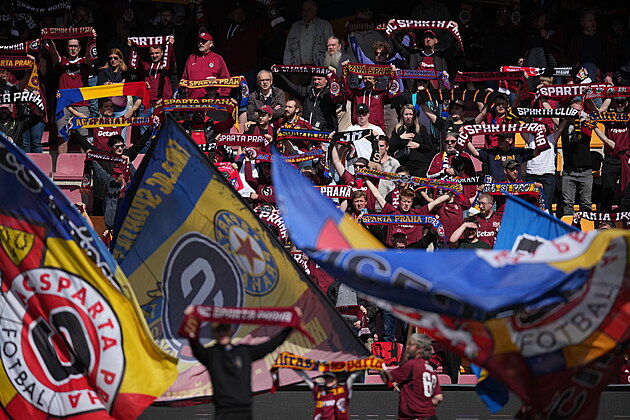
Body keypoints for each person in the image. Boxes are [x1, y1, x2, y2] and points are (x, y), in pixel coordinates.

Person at [184, 305, 301, 420]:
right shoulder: (211, 354)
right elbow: (194, 345)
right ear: (213, 333)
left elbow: (270, 345)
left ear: (231, 330)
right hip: (224, 412)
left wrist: (290, 326)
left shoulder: (243, 351)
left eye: (225, 329)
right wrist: (191, 319)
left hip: (245, 411)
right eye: (218, 330)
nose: (222, 333)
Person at [48, 33, 97, 153]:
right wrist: (49, 38)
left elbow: (89, 55)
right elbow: (54, 53)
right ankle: (61, 165)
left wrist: (91, 39)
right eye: (71, 46)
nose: (73, 49)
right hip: (63, 105)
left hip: (82, 104)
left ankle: (85, 164)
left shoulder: (84, 62)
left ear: (79, 48)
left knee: (83, 139)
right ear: (67, 48)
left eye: (75, 46)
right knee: (62, 138)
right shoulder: (62, 61)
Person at [383, 333, 443, 420]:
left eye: (411, 344)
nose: (407, 347)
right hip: (430, 416)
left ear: (420, 349)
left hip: (412, 416)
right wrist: (425, 407)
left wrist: (380, 368)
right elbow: (438, 397)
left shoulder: (411, 365)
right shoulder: (431, 369)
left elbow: (388, 377)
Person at [283, 1, 333, 68]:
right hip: (298, 68)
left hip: (318, 68)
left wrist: (330, 66)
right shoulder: (295, 27)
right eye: (303, 10)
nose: (305, 12)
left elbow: (332, 48)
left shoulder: (324, 25)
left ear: (314, 12)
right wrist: (288, 67)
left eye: (308, 10)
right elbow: (288, 50)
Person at [181, 32, 231, 99]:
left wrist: (223, 96)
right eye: (199, 41)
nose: (201, 43)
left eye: (204, 41)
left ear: (211, 44)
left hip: (211, 100)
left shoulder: (217, 58)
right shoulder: (191, 57)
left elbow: (226, 79)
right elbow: (184, 78)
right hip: (193, 100)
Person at [390, 104, 434, 177]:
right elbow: (391, 148)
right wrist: (400, 138)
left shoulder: (421, 129)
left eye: (410, 114)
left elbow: (429, 147)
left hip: (418, 166)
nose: (408, 117)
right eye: (406, 114)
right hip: (403, 166)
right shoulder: (398, 129)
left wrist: (418, 146)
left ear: (414, 115)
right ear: (402, 115)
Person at [297, 370, 362, 420]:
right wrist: (295, 367)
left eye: (331, 377)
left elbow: (352, 377)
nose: (328, 380)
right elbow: (306, 378)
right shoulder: (320, 391)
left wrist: (365, 365)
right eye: (326, 378)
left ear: (337, 378)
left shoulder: (342, 390)